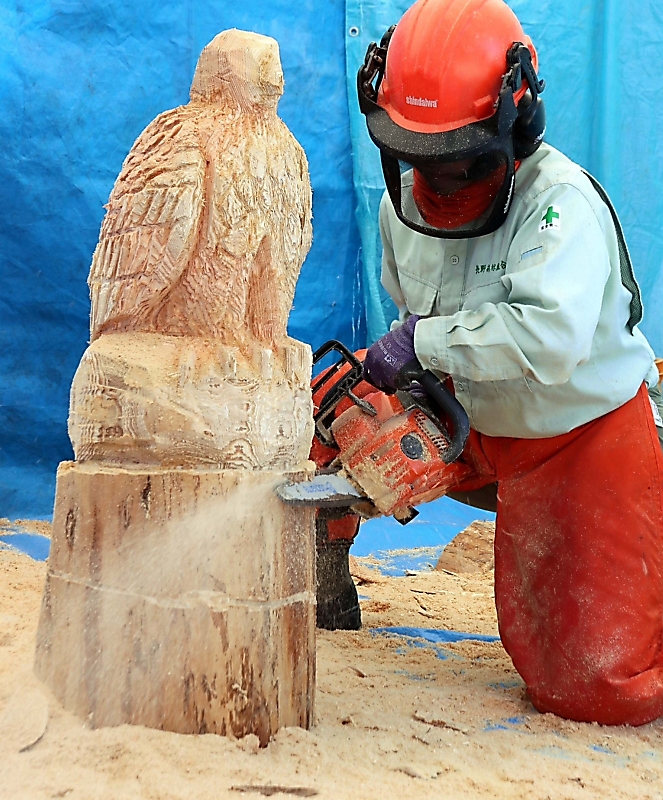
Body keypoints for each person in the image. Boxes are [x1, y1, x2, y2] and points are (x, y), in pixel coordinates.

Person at [344, 0, 663, 726]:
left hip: (575, 433)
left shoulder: (560, 206)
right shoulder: (404, 206)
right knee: (331, 402)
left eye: (461, 159)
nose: (441, 181)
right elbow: (410, 316)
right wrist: (407, 368)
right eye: (420, 160)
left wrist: (420, 345)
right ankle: (320, 568)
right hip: (468, 413)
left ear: (517, 126)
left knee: (591, 687)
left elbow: (546, 343)